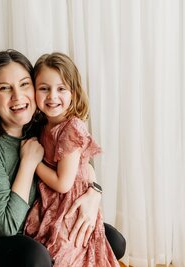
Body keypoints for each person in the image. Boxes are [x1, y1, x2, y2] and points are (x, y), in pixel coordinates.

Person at [0, 49, 125, 267]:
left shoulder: (36, 125)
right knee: (35, 256)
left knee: (112, 241)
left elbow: (78, 164)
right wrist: (29, 163)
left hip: (32, 227)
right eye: (4, 88)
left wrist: (93, 193)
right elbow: (5, 226)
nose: (18, 96)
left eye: (24, 84)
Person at [24, 52, 120, 267]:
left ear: (74, 93)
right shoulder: (42, 125)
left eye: (61, 89)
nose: (52, 96)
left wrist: (32, 162)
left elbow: (63, 183)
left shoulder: (71, 128)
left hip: (71, 205)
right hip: (51, 205)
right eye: (44, 88)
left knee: (64, 257)